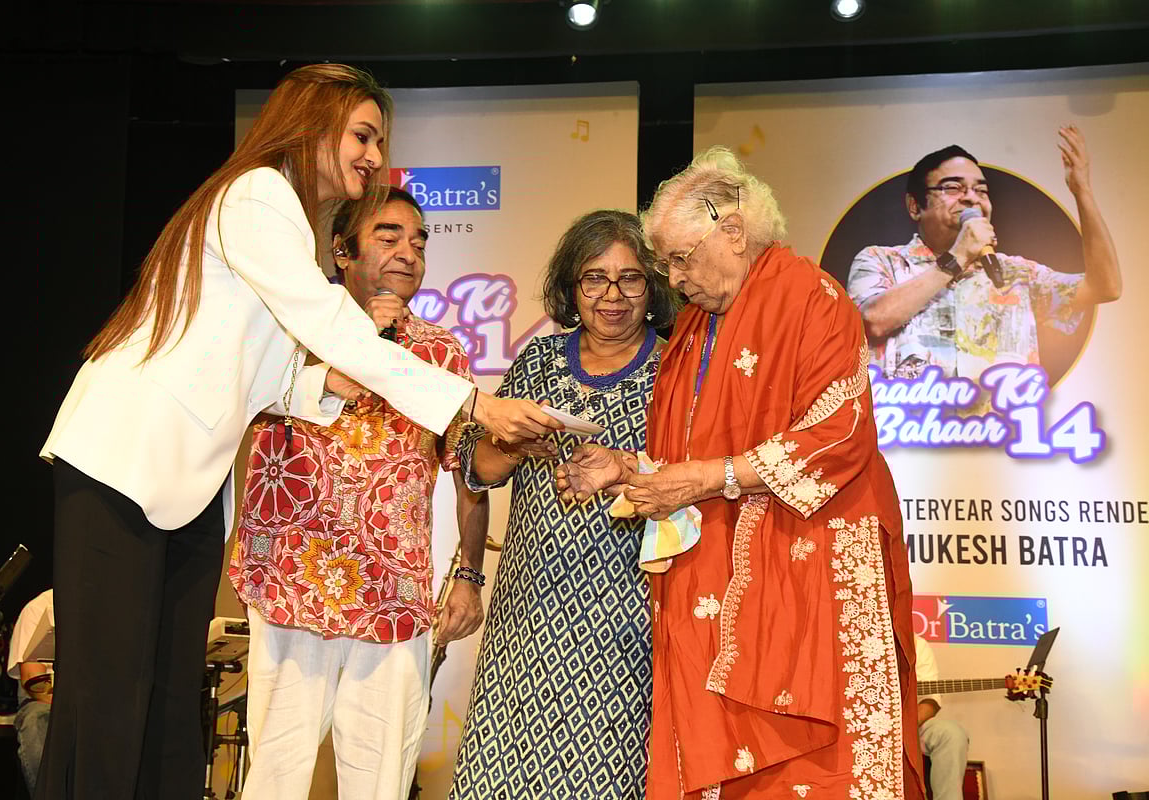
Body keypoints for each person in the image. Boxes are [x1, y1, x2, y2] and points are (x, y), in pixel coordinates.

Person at [36, 64, 558, 800]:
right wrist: (471, 403)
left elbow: (259, 370)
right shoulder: (256, 195)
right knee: (110, 697)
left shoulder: (285, 218)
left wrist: (322, 383)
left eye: (381, 140)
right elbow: (320, 319)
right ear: (314, 126)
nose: (375, 156)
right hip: (122, 462)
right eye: (363, 135)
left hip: (185, 489)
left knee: (166, 702)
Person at [556, 147, 923, 800]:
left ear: (732, 230)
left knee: (823, 772)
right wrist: (627, 468)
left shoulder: (812, 295)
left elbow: (839, 433)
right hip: (723, 580)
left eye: (680, 257)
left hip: (816, 574)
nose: (672, 278)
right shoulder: (697, 326)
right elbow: (692, 459)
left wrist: (703, 479)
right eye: (665, 262)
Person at [228, 186, 490, 799]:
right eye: (388, 235)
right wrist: (355, 338)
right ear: (341, 253)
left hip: (392, 596)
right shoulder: (288, 331)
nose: (409, 251)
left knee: (380, 785)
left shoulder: (441, 351)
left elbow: (466, 474)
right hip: (293, 583)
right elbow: (237, 407)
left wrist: (469, 575)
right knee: (274, 777)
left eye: (419, 240)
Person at [450, 210, 678, 799]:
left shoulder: (675, 369)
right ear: (570, 287)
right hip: (525, 622)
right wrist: (515, 444)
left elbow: (691, 483)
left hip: (627, 625)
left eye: (630, 279)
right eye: (594, 278)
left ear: (652, 286)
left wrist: (623, 468)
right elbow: (476, 470)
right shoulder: (538, 360)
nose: (611, 295)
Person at [847, 126, 1121, 381]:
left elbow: (1104, 287)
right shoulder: (881, 261)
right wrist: (958, 258)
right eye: (953, 188)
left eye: (981, 190)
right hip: (909, 430)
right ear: (915, 206)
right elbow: (873, 321)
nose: (971, 198)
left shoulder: (1015, 273)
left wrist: (1082, 192)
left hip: (1000, 431)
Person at [6, 590, 55, 795]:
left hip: (99, 702)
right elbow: (33, 681)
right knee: (36, 720)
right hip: (46, 701)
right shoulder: (40, 607)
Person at [914, 636, 969, 800]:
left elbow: (931, 699)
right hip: (854, 728)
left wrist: (902, 726)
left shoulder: (917, 644)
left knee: (951, 733)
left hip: (908, 726)